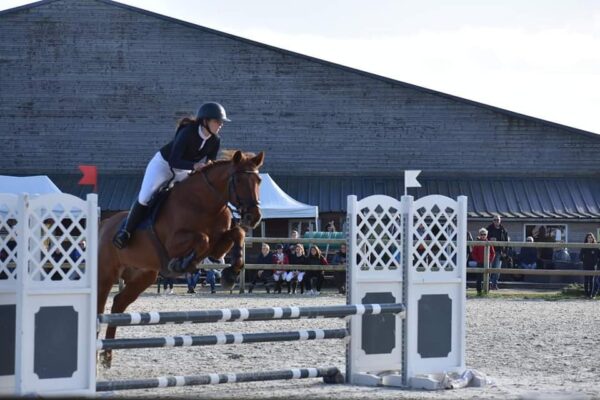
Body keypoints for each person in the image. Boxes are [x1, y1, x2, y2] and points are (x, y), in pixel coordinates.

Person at [113, 102, 230, 250]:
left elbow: (209, 163)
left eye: (221, 122)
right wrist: (194, 166)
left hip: (183, 170)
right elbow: (174, 160)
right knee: (145, 197)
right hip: (163, 164)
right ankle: (126, 232)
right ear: (205, 121)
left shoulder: (215, 140)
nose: (220, 125)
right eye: (217, 121)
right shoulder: (188, 132)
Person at [470, 228, 495, 295]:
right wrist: (477, 260)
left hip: (488, 263)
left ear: (487, 235)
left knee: (488, 277)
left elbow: (493, 253)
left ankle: (487, 291)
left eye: (484, 234)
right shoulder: (477, 243)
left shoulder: (489, 242)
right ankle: (479, 291)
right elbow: (473, 253)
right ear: (479, 235)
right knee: (479, 277)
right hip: (480, 262)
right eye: (482, 234)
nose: (483, 235)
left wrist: (490, 260)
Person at [486, 215, 508, 290]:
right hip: (489, 251)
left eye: (498, 220)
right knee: (488, 268)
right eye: (495, 220)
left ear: (500, 220)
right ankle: (487, 284)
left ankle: (494, 284)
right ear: (493, 221)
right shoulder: (488, 229)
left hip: (499, 251)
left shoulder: (503, 229)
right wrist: (489, 239)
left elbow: (506, 241)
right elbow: (484, 238)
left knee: (497, 269)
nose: (496, 221)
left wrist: (505, 251)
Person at [579, 233, 599, 299]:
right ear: (586, 239)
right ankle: (586, 294)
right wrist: (584, 260)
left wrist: (596, 262)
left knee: (592, 280)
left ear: (593, 239)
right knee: (586, 280)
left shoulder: (596, 247)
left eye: (591, 237)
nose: (590, 239)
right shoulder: (584, 246)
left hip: (593, 266)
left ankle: (591, 294)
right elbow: (580, 256)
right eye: (588, 238)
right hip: (586, 265)